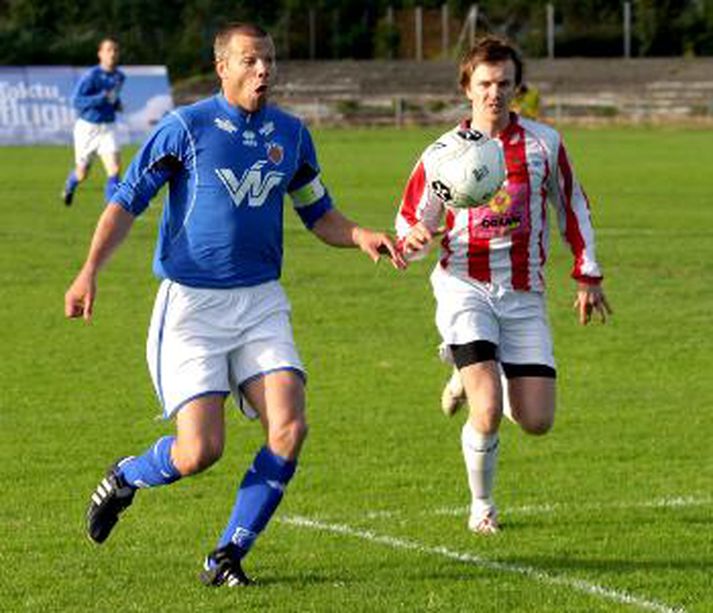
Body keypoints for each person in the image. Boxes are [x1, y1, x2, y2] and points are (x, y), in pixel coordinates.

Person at [65, 22, 405, 587]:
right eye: (250, 61)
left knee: (289, 425)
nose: (263, 71)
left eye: (268, 60)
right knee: (200, 451)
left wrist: (362, 235)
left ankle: (225, 556)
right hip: (192, 308)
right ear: (222, 67)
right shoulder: (185, 129)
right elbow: (126, 203)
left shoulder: (291, 135)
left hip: (260, 302)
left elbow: (318, 213)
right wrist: (88, 272)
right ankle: (127, 477)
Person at [395, 36, 611, 535]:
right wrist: (414, 238)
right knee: (488, 409)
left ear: (516, 88)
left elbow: (574, 207)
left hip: (523, 293)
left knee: (537, 420)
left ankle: (467, 373)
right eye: (485, 84)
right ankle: (482, 506)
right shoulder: (441, 153)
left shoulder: (544, 144)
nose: (495, 93)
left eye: (504, 84)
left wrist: (588, 274)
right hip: (462, 284)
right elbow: (410, 220)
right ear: (467, 87)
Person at [61, 37, 125, 206]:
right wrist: (101, 98)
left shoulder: (120, 76)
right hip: (88, 128)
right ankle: (70, 184)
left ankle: (111, 208)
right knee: (82, 174)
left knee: (115, 169)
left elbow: (112, 98)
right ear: (100, 54)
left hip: (108, 127)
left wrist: (117, 104)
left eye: (115, 50)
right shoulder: (91, 76)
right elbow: (76, 101)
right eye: (109, 50)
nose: (113, 53)